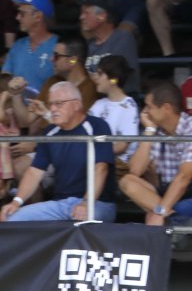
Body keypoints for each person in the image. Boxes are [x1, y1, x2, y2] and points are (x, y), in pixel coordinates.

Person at [0, 83, 113, 222]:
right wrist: (16, 202)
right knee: (9, 218)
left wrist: (86, 203)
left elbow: (101, 168)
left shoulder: (97, 126)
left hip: (97, 203)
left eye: (59, 104)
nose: (52, 109)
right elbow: (34, 172)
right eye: (51, 104)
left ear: (76, 104)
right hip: (60, 204)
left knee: (84, 219)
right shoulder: (50, 132)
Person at [120, 81, 192, 227]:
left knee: (176, 209)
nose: (145, 112)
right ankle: (172, 221)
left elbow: (184, 177)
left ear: (166, 108)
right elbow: (135, 171)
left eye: (149, 107)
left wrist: (159, 211)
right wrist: (149, 131)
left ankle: (168, 220)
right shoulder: (157, 130)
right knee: (127, 182)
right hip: (171, 193)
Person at [79, 0, 140, 94]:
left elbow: (117, 74)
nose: (81, 17)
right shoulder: (90, 44)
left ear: (101, 16)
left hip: (121, 100)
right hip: (98, 101)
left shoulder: (122, 38)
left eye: (86, 13)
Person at [88, 55, 139, 167]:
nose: (95, 77)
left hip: (118, 167)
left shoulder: (129, 106)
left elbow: (121, 146)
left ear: (113, 80)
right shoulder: (98, 104)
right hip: (97, 161)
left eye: (100, 74)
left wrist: (93, 152)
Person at [4, 0, 57, 97]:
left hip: (47, 106)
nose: (17, 17)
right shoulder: (17, 45)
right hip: (17, 105)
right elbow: (5, 76)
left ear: (38, 16)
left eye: (22, 13)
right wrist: (10, 85)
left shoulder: (58, 46)